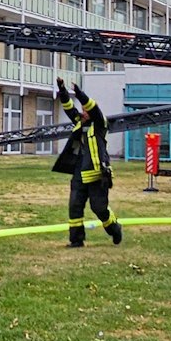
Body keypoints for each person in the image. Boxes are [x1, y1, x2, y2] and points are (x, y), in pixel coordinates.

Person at [54, 78, 122, 248]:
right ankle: (76, 240)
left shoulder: (100, 123)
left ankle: (115, 228)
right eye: (82, 110)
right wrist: (62, 89)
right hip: (79, 171)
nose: (83, 112)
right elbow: (68, 107)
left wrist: (79, 93)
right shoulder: (79, 122)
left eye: (85, 110)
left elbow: (94, 108)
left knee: (99, 208)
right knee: (74, 206)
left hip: (97, 172)